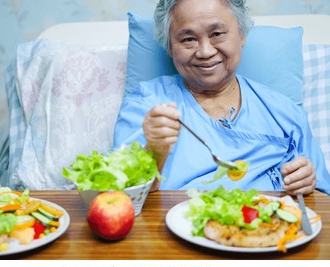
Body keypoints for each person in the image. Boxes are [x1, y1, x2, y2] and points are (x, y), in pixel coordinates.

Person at [113, 0, 330, 195]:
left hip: (266, 233)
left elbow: (322, 198)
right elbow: (119, 196)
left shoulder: (285, 113)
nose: (205, 51)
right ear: (170, 47)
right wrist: (154, 150)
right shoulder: (146, 104)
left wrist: (307, 183)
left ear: (242, 34)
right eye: (188, 39)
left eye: (217, 34)